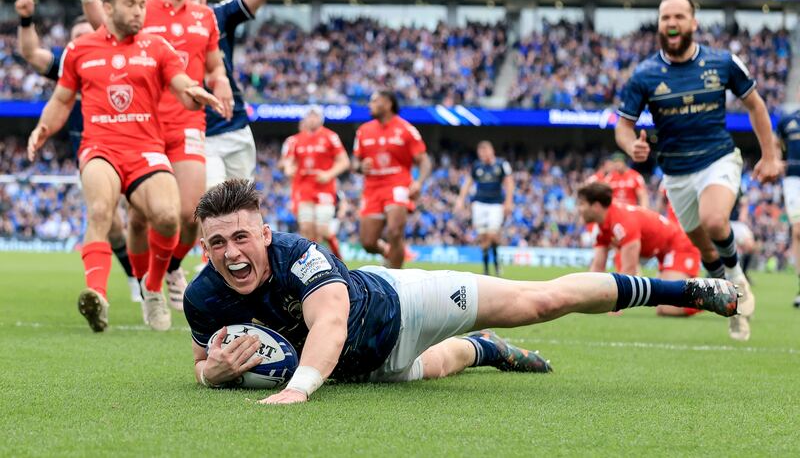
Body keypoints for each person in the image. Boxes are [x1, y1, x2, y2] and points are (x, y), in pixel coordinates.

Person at [184, 179, 739, 405]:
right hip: (359, 369)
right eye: (216, 243)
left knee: (540, 301)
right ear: (202, 246)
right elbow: (201, 364)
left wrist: (300, 389)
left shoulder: (296, 253)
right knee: (450, 362)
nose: (232, 253)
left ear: (263, 232)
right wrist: (215, 372)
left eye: (241, 237)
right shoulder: (203, 297)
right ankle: (488, 349)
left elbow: (328, 322)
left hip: (401, 306)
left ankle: (689, 287)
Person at [26, 0, 223, 332]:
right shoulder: (80, 49)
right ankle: (97, 296)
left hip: (147, 149)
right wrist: (43, 127)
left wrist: (193, 94)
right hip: (100, 147)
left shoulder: (157, 47)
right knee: (101, 210)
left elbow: (180, 83)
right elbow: (61, 98)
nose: (139, 11)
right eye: (130, 4)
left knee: (168, 217)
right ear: (107, 8)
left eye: (142, 4)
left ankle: (152, 288)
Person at [75, 0, 234, 315]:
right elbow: (104, 27)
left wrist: (220, 82)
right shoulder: (141, 9)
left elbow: (214, 65)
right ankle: (145, 283)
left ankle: (171, 269)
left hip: (186, 122)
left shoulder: (205, 16)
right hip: (142, 126)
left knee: (190, 213)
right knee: (140, 217)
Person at [615, 0, 781, 341]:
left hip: (718, 159)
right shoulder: (644, 74)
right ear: (659, 25)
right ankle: (732, 304)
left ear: (694, 23)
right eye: (665, 18)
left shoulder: (723, 63)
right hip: (676, 174)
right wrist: (633, 146)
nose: (671, 23)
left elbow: (756, 106)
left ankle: (737, 278)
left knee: (715, 219)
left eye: (678, 16)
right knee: (705, 248)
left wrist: (769, 155)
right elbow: (623, 126)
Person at [14, 0, 142, 303]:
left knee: (146, 217)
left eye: (90, 32)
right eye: (78, 36)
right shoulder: (71, 62)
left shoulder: (127, 57)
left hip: (136, 149)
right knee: (110, 223)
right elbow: (32, 54)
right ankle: (133, 279)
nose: (84, 41)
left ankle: (160, 275)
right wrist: (27, 19)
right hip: (93, 156)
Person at [184, 0, 312, 191]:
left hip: (234, 125)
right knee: (214, 200)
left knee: (242, 206)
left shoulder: (216, 17)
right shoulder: (159, 25)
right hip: (196, 131)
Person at [578, 182, 703, 318]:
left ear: (596, 206)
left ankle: (710, 295)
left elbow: (629, 269)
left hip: (679, 245)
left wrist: (616, 305)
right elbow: (597, 268)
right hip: (662, 250)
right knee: (663, 307)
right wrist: (584, 300)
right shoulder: (602, 227)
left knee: (667, 309)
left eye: (582, 204)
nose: (579, 209)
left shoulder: (622, 222)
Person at [353, 90, 431, 268]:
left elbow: (424, 159)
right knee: (368, 242)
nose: (369, 105)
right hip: (372, 188)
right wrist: (359, 167)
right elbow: (355, 162)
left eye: (374, 101)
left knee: (395, 231)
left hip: (398, 185)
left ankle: (396, 282)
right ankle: (389, 252)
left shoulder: (406, 130)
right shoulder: (363, 131)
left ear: (388, 104)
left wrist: (419, 182)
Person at [281, 107, 349, 257]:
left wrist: (329, 174)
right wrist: (288, 168)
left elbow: (344, 161)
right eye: (309, 115)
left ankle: (339, 258)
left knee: (322, 230)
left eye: (315, 116)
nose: (312, 118)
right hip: (304, 189)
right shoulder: (296, 140)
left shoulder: (330, 137)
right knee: (306, 229)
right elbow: (288, 161)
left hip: (325, 189)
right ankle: (315, 263)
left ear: (321, 118)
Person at [455, 140, 514, 276]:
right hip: (479, 204)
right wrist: (460, 199)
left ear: (491, 151)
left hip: (495, 204)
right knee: (483, 237)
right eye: (480, 152)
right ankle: (487, 268)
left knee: (492, 235)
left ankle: (496, 263)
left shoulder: (501, 164)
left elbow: (509, 183)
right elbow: (468, 183)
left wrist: (508, 202)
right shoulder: (477, 166)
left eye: (485, 151)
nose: (483, 155)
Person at [775, 109, 800, 307]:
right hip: (793, 180)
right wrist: (775, 159)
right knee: (798, 231)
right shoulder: (788, 120)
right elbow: (775, 141)